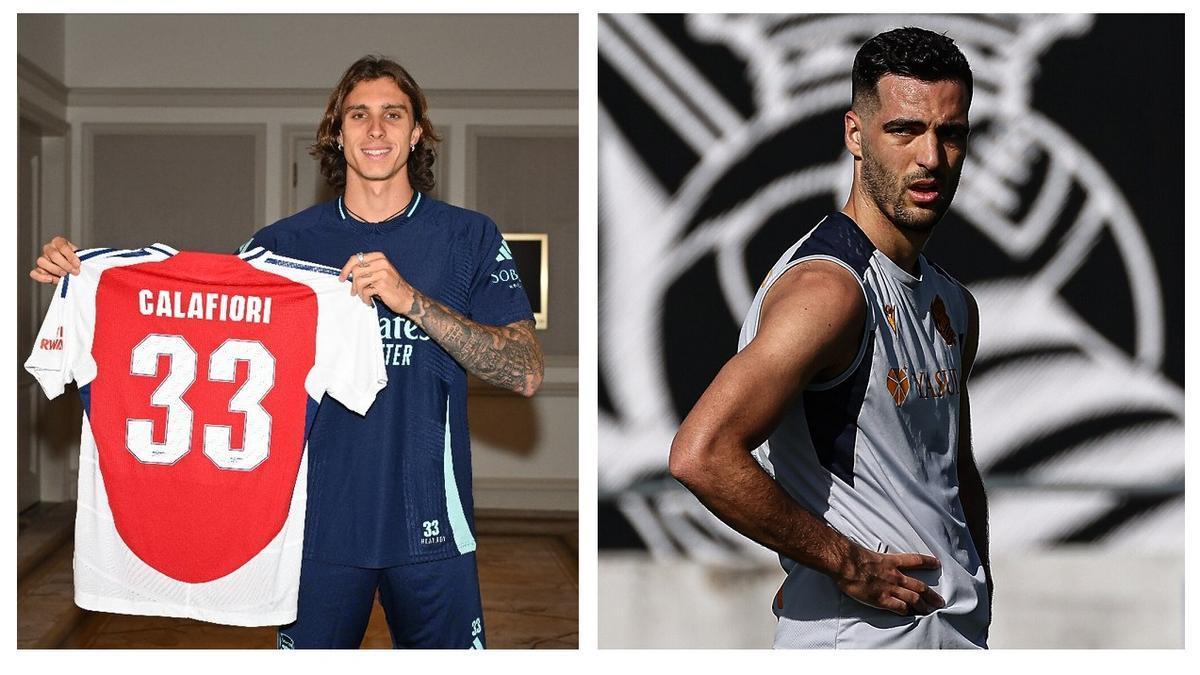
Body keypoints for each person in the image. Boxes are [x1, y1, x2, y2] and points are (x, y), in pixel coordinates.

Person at [30, 55, 543, 649]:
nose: (376, 130)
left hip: (431, 525)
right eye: (359, 115)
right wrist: (87, 274)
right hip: (311, 527)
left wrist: (411, 301)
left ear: (417, 132)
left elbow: (526, 369)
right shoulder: (280, 247)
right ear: (336, 131)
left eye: (392, 115)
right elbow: (192, 314)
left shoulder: (469, 236)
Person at [668, 27, 991, 648]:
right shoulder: (829, 290)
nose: (930, 157)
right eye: (904, 130)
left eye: (949, 134)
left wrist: (977, 578)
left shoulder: (953, 302)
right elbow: (700, 454)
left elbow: (953, 470)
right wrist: (848, 563)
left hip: (952, 636)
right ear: (855, 134)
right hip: (858, 641)